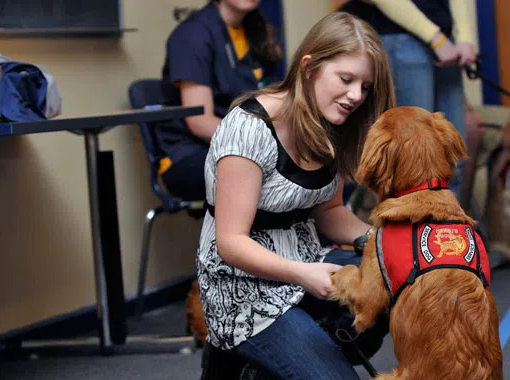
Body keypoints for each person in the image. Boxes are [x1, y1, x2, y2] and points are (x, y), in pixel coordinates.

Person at [196, 11, 395, 379]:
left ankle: (281, 361)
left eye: (365, 87)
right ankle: (242, 361)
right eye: (346, 79)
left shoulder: (330, 120)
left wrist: (377, 242)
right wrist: (303, 274)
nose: (355, 96)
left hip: (305, 257)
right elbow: (230, 242)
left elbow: (330, 212)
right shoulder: (250, 126)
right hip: (241, 286)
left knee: (392, 277)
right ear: (309, 67)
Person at [338, 0, 480, 210]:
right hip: (403, 38)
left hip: (448, 41)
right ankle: (412, 238)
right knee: (414, 161)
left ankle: (449, 233)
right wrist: (436, 38)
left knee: (454, 159)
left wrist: (465, 38)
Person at [155, 0, 282, 201]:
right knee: (288, 179)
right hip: (190, 154)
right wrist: (266, 145)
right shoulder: (193, 34)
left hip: (245, 145)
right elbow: (200, 122)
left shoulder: (256, 32)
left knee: (320, 175)